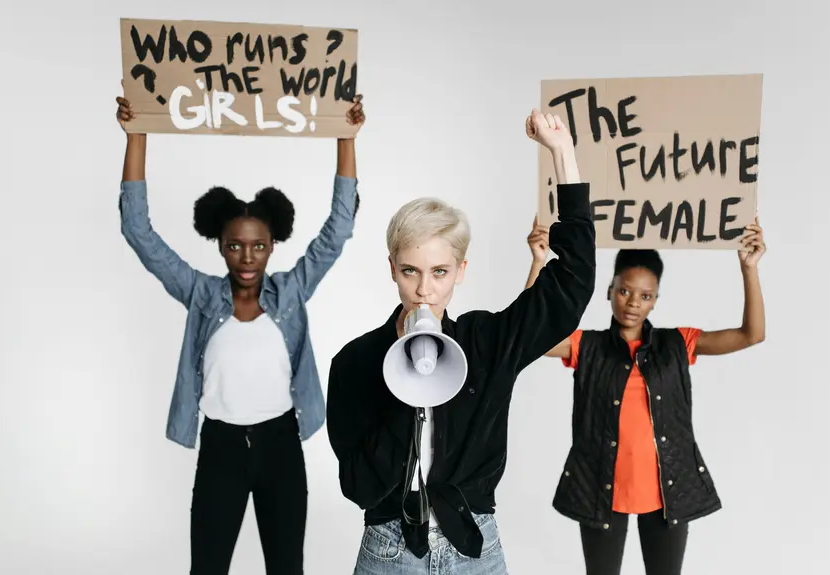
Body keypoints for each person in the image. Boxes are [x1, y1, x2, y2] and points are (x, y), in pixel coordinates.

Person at [326, 109, 597, 574]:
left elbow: (572, 284)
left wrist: (563, 154)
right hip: (390, 551)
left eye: (439, 272)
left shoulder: (486, 342)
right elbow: (358, 487)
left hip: (474, 548)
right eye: (410, 271)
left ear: (461, 272)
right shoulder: (354, 362)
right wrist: (405, 388)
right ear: (392, 268)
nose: (424, 290)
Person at [115, 90, 365, 575]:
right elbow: (138, 231)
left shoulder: (291, 292)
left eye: (257, 246)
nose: (246, 258)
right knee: (207, 567)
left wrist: (346, 137)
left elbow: (337, 229)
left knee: (286, 568)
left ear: (274, 245)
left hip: (281, 446)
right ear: (220, 245)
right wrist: (137, 132)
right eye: (234, 246)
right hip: (221, 448)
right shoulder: (201, 295)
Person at [523, 218, 767, 575]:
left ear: (655, 301)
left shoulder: (677, 344)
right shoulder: (587, 347)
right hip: (599, 492)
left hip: (667, 494)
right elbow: (531, 335)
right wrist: (538, 262)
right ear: (609, 289)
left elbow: (751, 334)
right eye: (625, 291)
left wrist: (748, 267)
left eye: (645, 295)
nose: (633, 303)